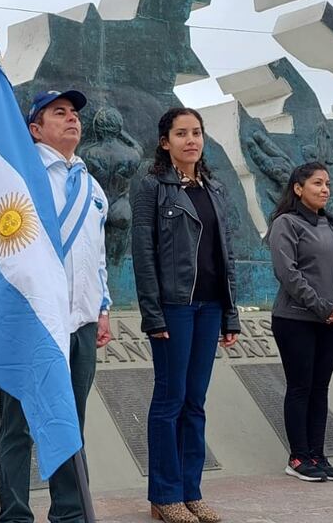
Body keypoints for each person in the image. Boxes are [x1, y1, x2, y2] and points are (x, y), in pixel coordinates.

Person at [0, 90, 113, 523]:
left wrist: (103, 307)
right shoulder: (22, 177)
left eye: (74, 113)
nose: (71, 119)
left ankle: (69, 513)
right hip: (33, 322)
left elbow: (97, 254)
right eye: (58, 113)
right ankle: (14, 515)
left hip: (80, 321)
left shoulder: (91, 185)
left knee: (69, 423)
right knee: (18, 426)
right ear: (35, 129)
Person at [131, 107, 240, 523]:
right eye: (181, 133)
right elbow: (143, 255)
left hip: (210, 307)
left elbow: (225, 254)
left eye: (196, 132)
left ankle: (191, 492)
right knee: (170, 399)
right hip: (174, 307)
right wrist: (152, 314)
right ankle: (164, 496)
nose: (191, 140)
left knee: (196, 401)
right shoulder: (152, 187)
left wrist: (230, 314)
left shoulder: (215, 188)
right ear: (165, 142)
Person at [267, 162, 333, 483]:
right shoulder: (286, 224)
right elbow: (287, 273)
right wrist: (321, 306)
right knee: (300, 387)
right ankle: (298, 457)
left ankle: (317, 455)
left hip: (330, 321)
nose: (325, 189)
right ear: (298, 188)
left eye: (327, 184)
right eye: (317, 183)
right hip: (295, 319)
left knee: (320, 388)